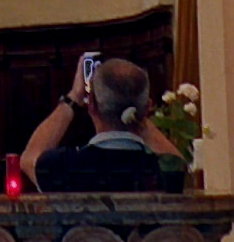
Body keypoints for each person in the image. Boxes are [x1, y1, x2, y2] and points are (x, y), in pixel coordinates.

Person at [19, 54, 171, 194]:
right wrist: (138, 113)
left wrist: (73, 97)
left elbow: (30, 158)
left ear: (91, 104)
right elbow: (180, 164)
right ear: (147, 108)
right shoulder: (166, 170)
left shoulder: (61, 166)